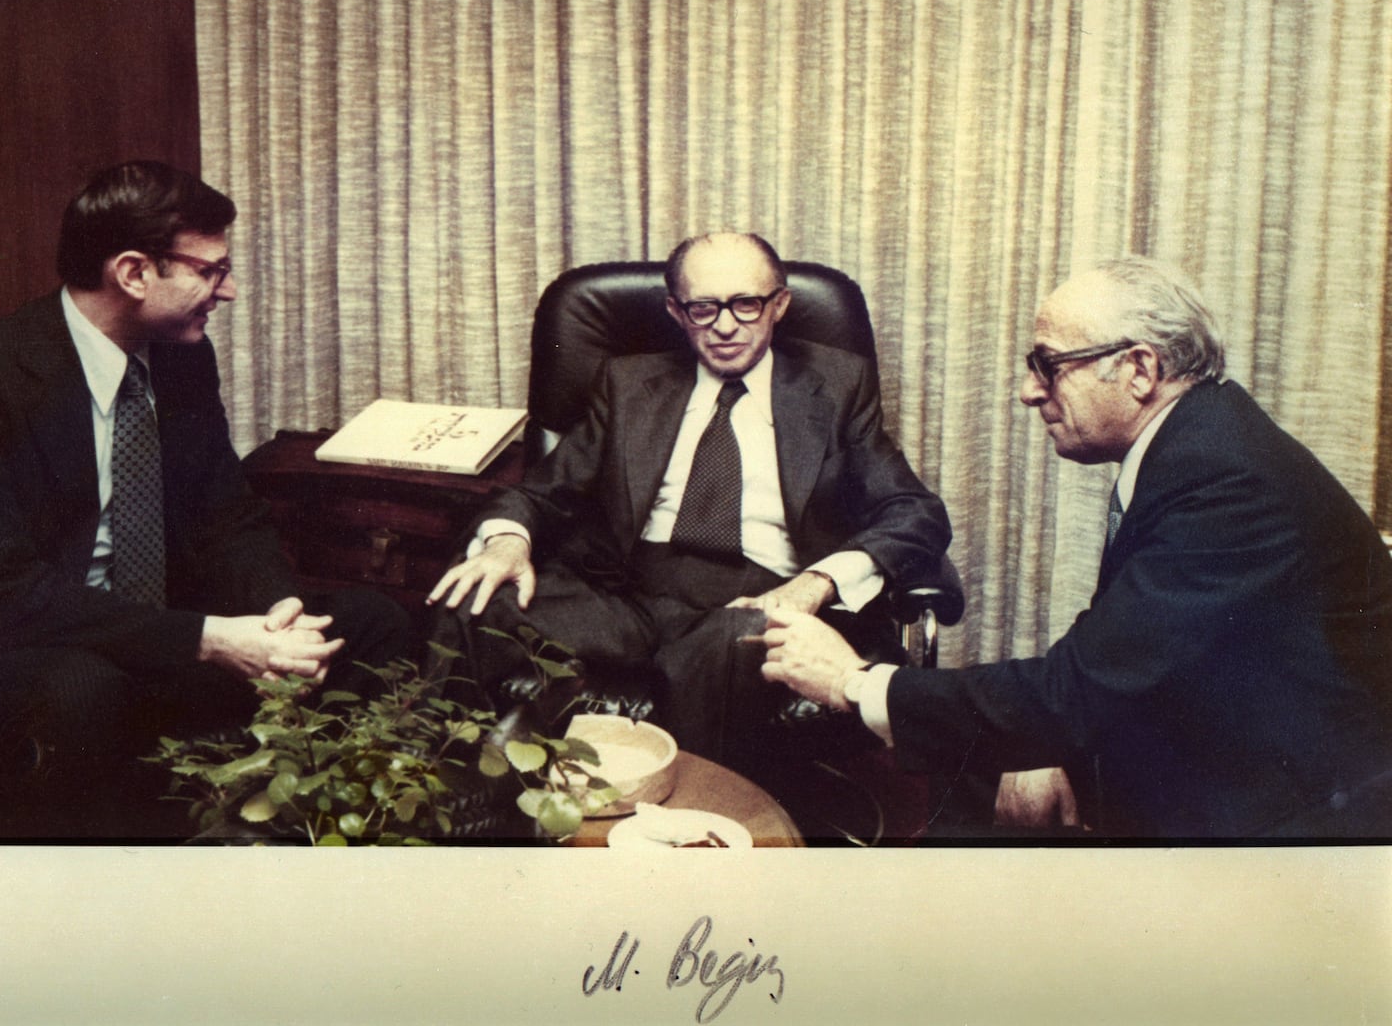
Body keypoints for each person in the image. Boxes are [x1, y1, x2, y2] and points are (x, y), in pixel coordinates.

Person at [0, 161, 409, 838]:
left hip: (152, 632)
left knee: (368, 622)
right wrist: (213, 639)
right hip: (11, 648)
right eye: (210, 271)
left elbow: (227, 514)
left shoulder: (181, 357)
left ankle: (280, 826)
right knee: (82, 689)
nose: (229, 291)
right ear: (134, 273)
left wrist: (279, 616)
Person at [762, 256, 1392, 838]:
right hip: (1221, 745)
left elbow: (1083, 691)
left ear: (1139, 369)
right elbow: (1120, 644)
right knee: (968, 785)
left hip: (1290, 814)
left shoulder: (1224, 482)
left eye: (1048, 364)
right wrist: (1043, 744)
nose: (1029, 392)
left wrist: (853, 682)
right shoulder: (1196, 441)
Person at [427, 232, 951, 761]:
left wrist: (813, 586)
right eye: (704, 308)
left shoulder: (836, 386)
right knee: (473, 591)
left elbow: (915, 513)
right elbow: (541, 491)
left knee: (736, 641)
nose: (725, 326)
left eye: (746, 304)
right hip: (624, 597)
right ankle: (438, 797)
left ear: (780, 305)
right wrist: (505, 544)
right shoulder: (629, 383)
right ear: (677, 313)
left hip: (752, 601)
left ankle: (680, 823)